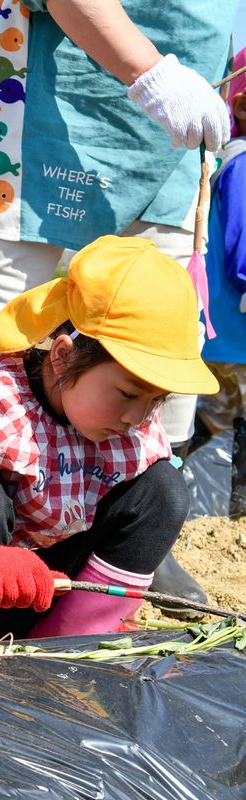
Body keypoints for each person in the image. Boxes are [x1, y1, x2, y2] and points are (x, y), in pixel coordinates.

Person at [0, 0, 238, 606]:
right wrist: (152, 74)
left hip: (173, 126)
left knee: (164, 336)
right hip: (53, 89)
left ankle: (133, 541)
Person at [0, 236, 219, 645]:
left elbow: (141, 515)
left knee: (164, 490)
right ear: (63, 356)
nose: (137, 417)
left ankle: (71, 641)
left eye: (156, 401)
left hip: (43, 589)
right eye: (127, 394)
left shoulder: (130, 426)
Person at [191, 48, 246, 518]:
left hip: (218, 331)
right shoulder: (244, 163)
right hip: (237, 331)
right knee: (231, 421)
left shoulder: (222, 161)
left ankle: (206, 503)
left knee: (214, 420)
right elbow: (243, 246)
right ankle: (229, 508)